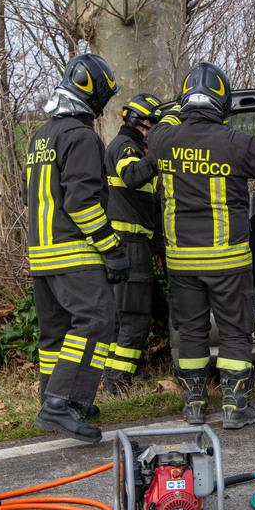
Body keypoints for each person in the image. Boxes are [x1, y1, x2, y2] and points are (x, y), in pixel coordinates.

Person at [147, 62, 255, 429]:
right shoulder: (235, 142)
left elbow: (162, 124)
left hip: (181, 262)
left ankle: (195, 405)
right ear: (222, 101)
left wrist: (170, 110)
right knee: (234, 331)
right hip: (227, 260)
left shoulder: (163, 140)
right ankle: (234, 406)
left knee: (192, 332)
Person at [24, 53, 128, 443]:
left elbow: (29, 195)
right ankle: (62, 402)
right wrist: (111, 249)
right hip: (75, 254)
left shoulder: (42, 136)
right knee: (97, 321)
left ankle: (56, 400)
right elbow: (82, 203)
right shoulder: (81, 137)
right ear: (94, 95)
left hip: (42, 256)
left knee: (56, 333)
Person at [101, 93, 162, 395]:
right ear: (145, 122)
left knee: (121, 318)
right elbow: (133, 175)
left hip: (130, 245)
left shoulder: (129, 146)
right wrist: (158, 156)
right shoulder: (126, 147)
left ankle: (111, 378)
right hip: (130, 245)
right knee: (134, 320)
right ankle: (117, 383)